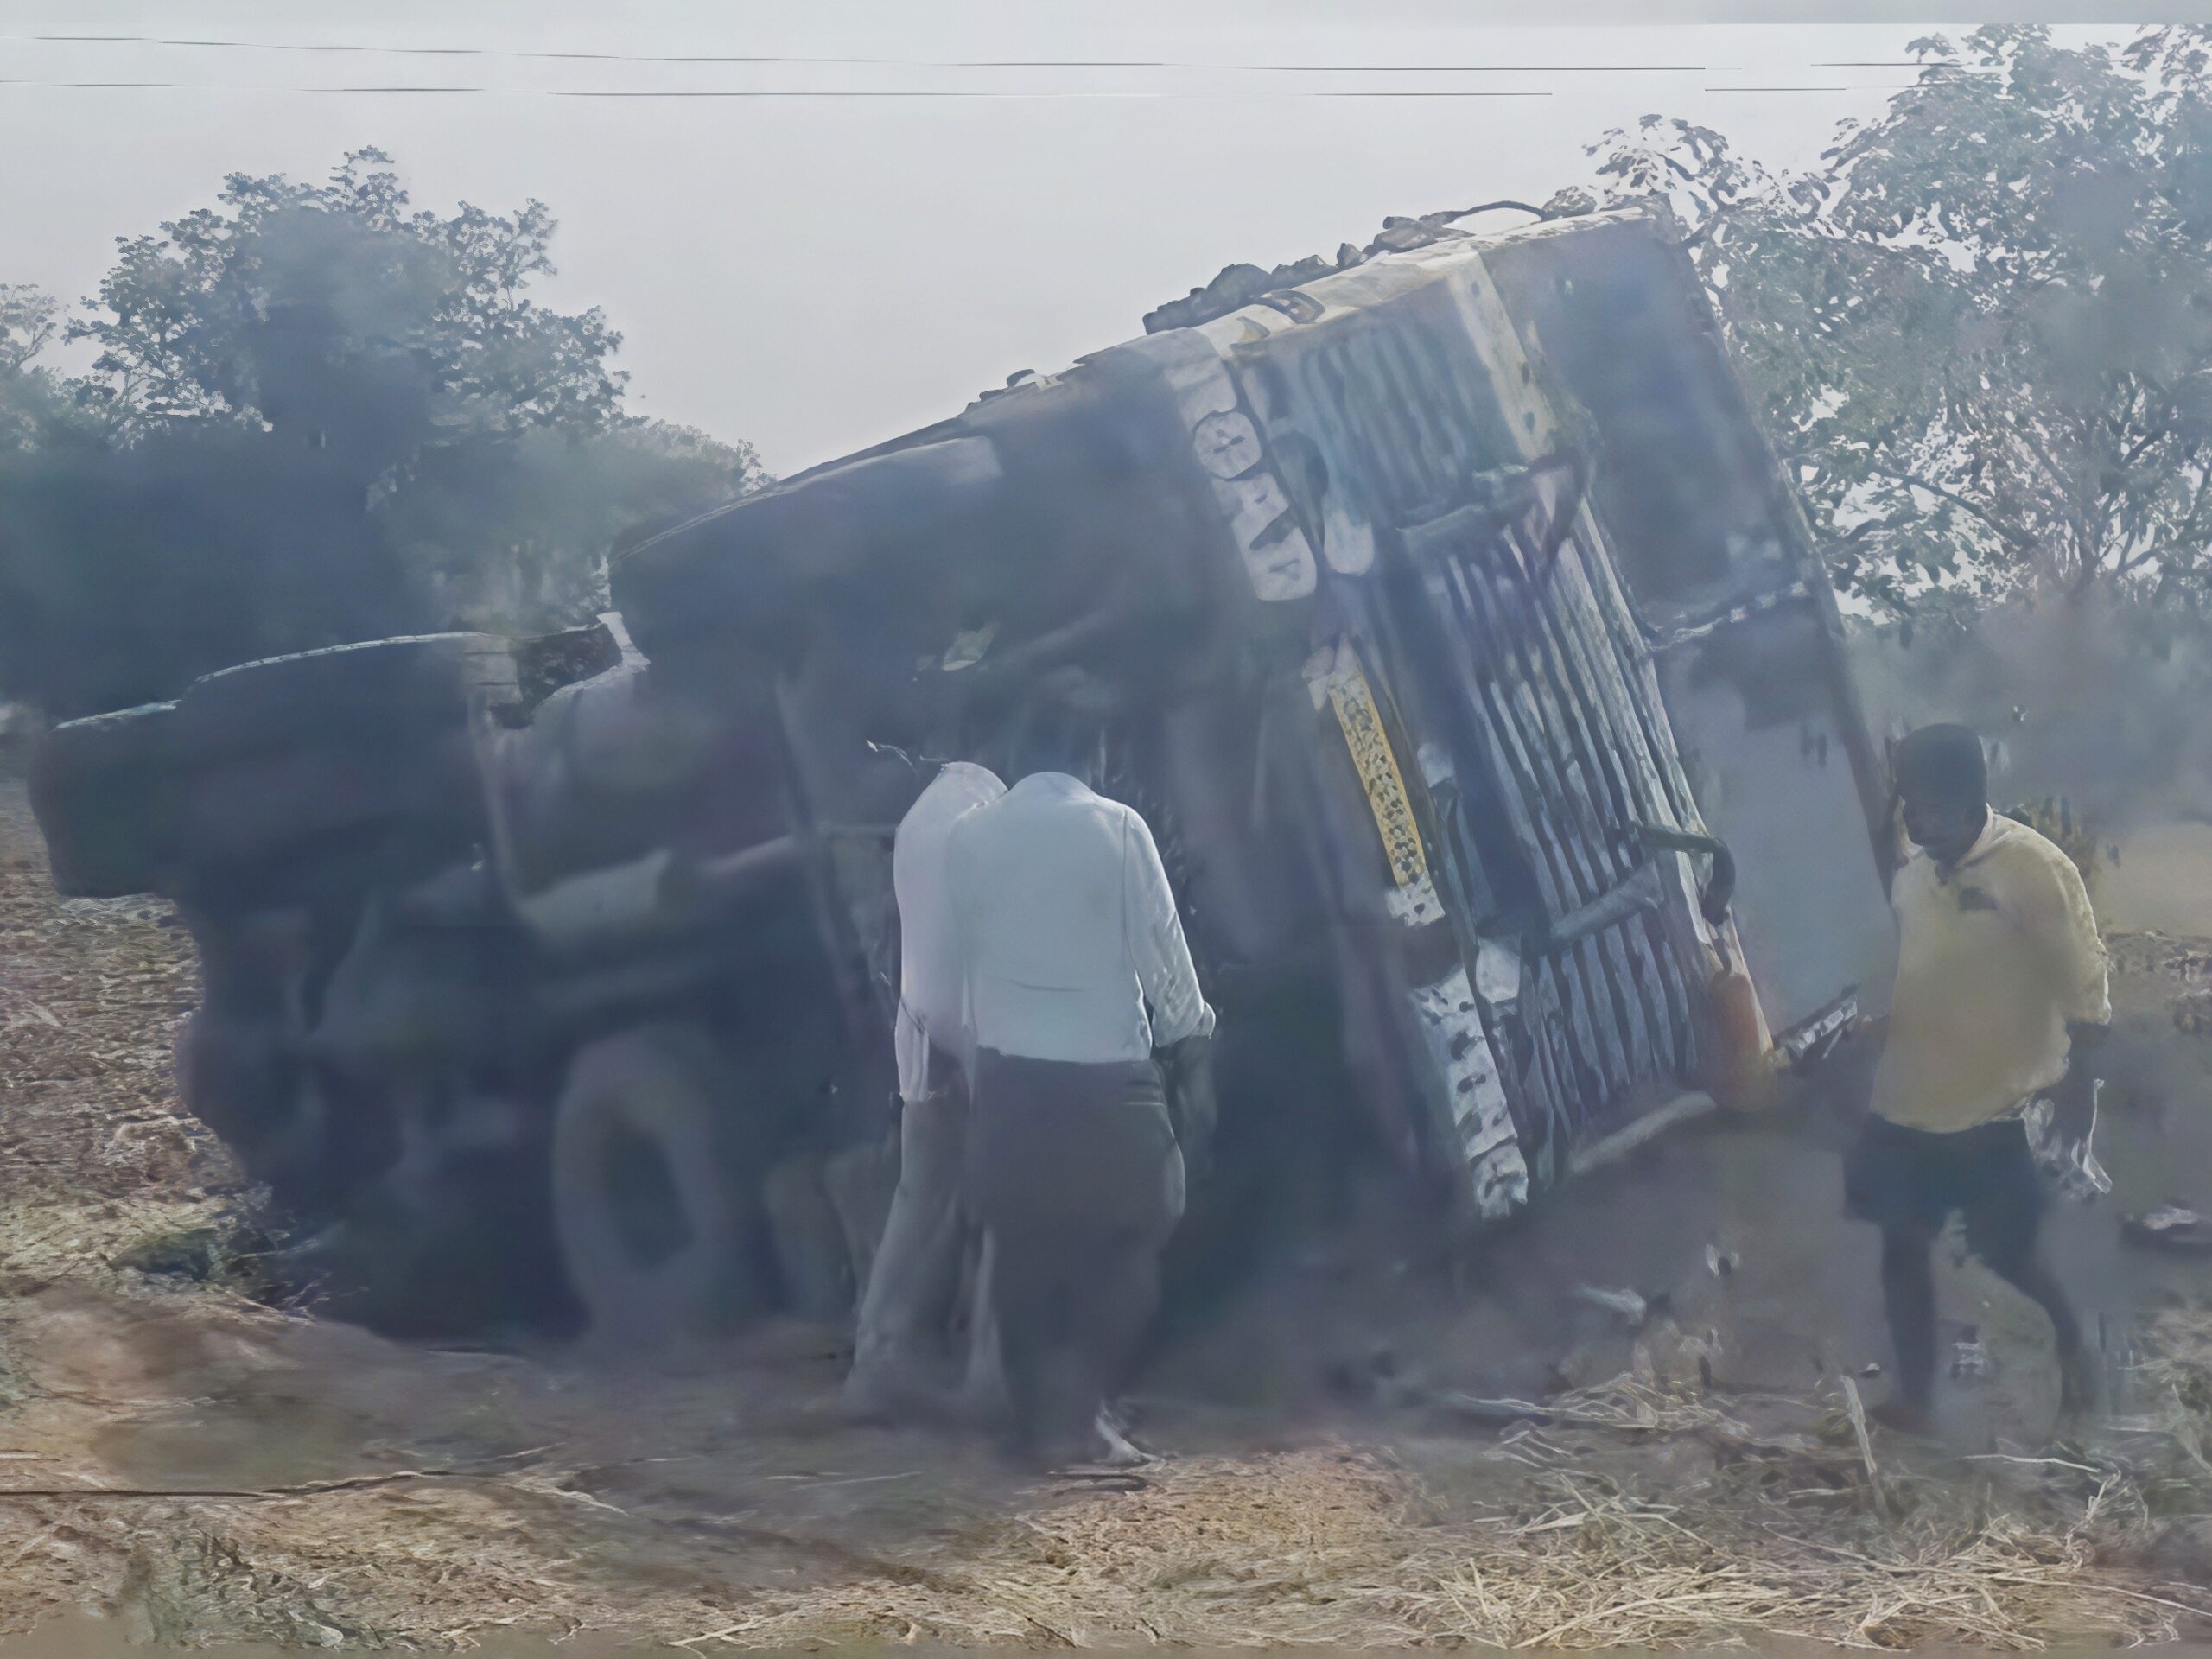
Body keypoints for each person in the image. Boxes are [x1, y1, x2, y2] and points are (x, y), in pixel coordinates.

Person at [946, 736, 1216, 1466]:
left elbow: (953, 969)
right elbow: (1167, 959)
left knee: (1026, 1249)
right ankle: (1084, 1412)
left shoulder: (967, 840)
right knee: (1139, 1228)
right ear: (1091, 758)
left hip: (1009, 1081)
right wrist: (1194, 1052)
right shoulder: (1118, 827)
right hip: (1106, 1083)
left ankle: (1041, 1423)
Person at [1846, 723, 2109, 1433]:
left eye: (1926, 806)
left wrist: (2078, 1095)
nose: (1911, 818)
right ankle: (1918, 1399)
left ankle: (2077, 1354)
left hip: (1994, 1104)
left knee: (2009, 1255)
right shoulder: (1914, 874)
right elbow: (1912, 968)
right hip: (1910, 1098)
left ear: (1968, 805)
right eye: (1907, 802)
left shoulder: (2033, 867)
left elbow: (2084, 984)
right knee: (1901, 1247)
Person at [842, 760, 1007, 1421]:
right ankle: (994, 1381)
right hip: (975, 1011)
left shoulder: (918, 821)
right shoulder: (989, 813)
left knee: (922, 1188)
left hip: (918, 1019)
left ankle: (878, 1366)